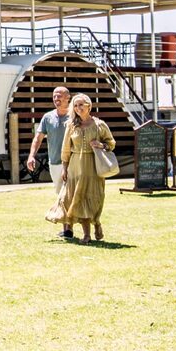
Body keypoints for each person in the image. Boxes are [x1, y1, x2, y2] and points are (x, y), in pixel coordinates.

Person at [59, 93, 116, 244]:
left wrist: (101, 145)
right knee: (78, 198)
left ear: (89, 106)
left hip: (93, 166)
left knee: (95, 198)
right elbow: (65, 149)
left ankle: (96, 222)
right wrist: (64, 168)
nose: (78, 108)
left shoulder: (99, 125)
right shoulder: (71, 125)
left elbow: (111, 143)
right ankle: (86, 235)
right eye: (75, 105)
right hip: (75, 166)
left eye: (81, 105)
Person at [27, 86, 73, 238]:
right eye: (54, 96)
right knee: (60, 194)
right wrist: (31, 156)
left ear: (68, 98)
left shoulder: (74, 116)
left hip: (72, 163)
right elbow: (38, 138)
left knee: (67, 195)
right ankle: (67, 227)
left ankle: (68, 229)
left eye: (59, 96)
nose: (56, 99)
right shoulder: (47, 117)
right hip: (54, 162)